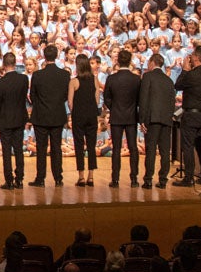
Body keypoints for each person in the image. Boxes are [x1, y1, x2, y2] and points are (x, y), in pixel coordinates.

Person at [173, 44, 201, 187]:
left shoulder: (191, 75)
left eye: (191, 55)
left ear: (196, 57)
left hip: (191, 115)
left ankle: (189, 178)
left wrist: (185, 70)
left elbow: (178, 85)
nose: (190, 57)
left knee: (188, 147)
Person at [29, 43, 69, 187]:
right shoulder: (65, 74)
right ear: (57, 56)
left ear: (44, 57)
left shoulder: (37, 75)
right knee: (56, 147)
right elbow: (66, 95)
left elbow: (32, 96)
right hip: (57, 114)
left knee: (41, 148)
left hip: (41, 116)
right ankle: (58, 178)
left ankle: (40, 178)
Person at [104, 49, 141, 188]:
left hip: (116, 116)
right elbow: (140, 99)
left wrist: (114, 108)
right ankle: (134, 179)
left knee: (116, 149)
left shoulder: (111, 78)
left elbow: (107, 98)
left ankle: (115, 179)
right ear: (130, 61)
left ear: (118, 61)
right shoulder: (136, 79)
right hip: (131, 117)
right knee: (133, 148)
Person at [139, 52, 176, 189]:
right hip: (166, 119)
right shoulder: (169, 80)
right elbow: (172, 102)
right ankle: (163, 180)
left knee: (151, 150)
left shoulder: (147, 76)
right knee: (165, 151)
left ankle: (148, 180)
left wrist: (142, 119)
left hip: (152, 118)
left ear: (152, 62)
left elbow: (143, 98)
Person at [0, 52, 29, 189]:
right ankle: (19, 179)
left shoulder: (0, 82)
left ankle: (9, 181)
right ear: (15, 63)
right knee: (19, 149)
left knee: (6, 151)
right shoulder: (23, 79)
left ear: (3, 64)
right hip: (19, 118)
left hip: (4, 119)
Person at [67, 53, 99, 187]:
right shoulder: (94, 79)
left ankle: (81, 177)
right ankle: (91, 176)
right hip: (91, 115)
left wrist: (75, 112)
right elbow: (97, 100)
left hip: (78, 116)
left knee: (79, 145)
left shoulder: (74, 81)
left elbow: (70, 102)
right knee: (91, 146)